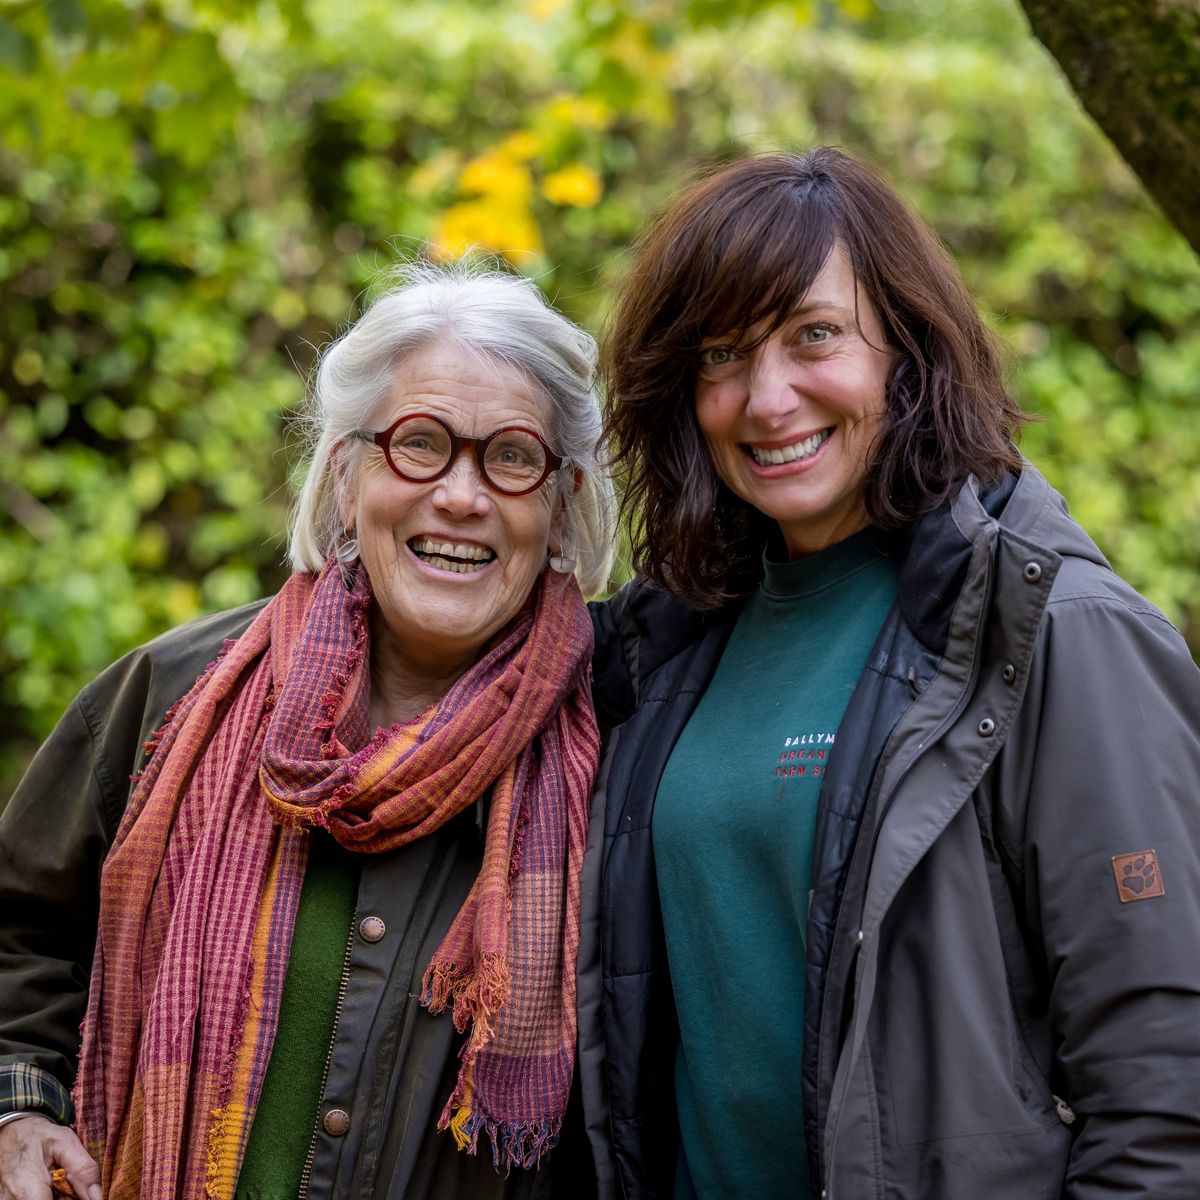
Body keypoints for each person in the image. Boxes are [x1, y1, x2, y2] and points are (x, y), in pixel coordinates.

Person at [576, 148, 1200, 1199]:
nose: (767, 399)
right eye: (722, 354)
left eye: (813, 337)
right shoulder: (664, 647)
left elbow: (1167, 1076)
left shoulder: (1053, 632)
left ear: (907, 349)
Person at [0, 262, 615, 1200]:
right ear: (345, 473)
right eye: (419, 443)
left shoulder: (624, 741)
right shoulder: (168, 697)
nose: (460, 494)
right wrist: (17, 1108)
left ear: (562, 500)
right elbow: (22, 930)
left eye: (514, 456)